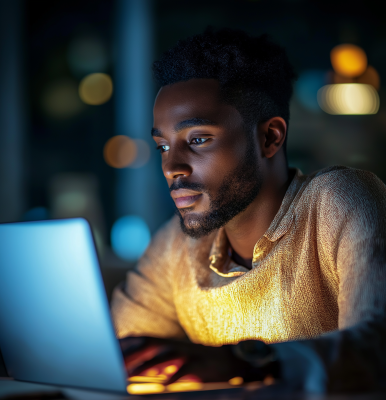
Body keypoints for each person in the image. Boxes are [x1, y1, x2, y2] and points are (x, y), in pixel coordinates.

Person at [111, 28, 386, 393]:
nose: (171, 167)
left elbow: (377, 347)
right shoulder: (176, 246)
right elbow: (125, 351)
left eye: (197, 140)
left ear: (270, 138)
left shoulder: (338, 201)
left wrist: (243, 362)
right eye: (163, 146)